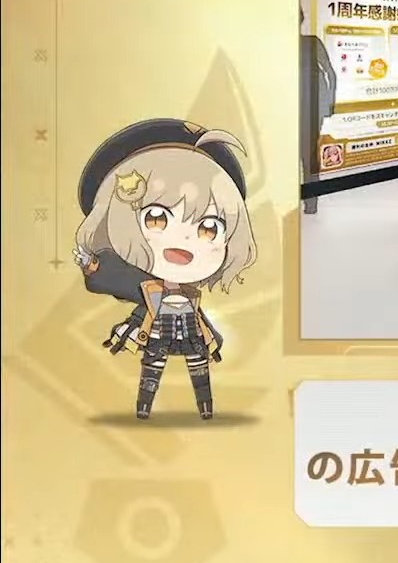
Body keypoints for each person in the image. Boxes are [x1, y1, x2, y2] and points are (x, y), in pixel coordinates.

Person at [73, 120, 259, 420]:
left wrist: (212, 340)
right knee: (151, 372)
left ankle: (206, 409)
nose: (184, 239)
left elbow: (200, 319)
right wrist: (94, 268)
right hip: (158, 336)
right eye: (157, 218)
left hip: (190, 337)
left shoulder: (189, 294)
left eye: (209, 228)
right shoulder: (145, 286)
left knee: (200, 373)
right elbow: (125, 292)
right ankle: (143, 410)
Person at [299, 8, 336, 214]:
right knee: (309, 157)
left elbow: (330, 73)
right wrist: (329, 106)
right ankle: (310, 204)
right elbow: (330, 73)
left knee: (307, 157)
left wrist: (329, 105)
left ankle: (310, 203)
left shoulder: (311, 42)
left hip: (309, 109)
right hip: (309, 109)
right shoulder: (311, 43)